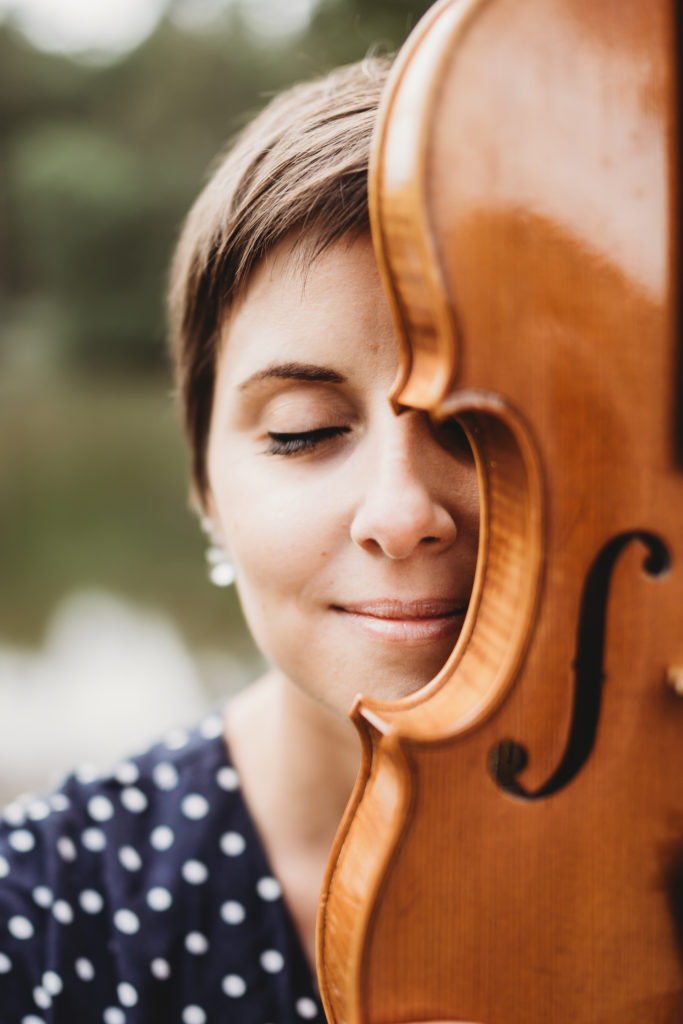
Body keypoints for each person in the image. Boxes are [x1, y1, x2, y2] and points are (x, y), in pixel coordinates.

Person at [0, 56, 479, 1024]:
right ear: (204, 485)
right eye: (302, 429)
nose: (401, 512)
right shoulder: (39, 916)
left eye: (479, 423)